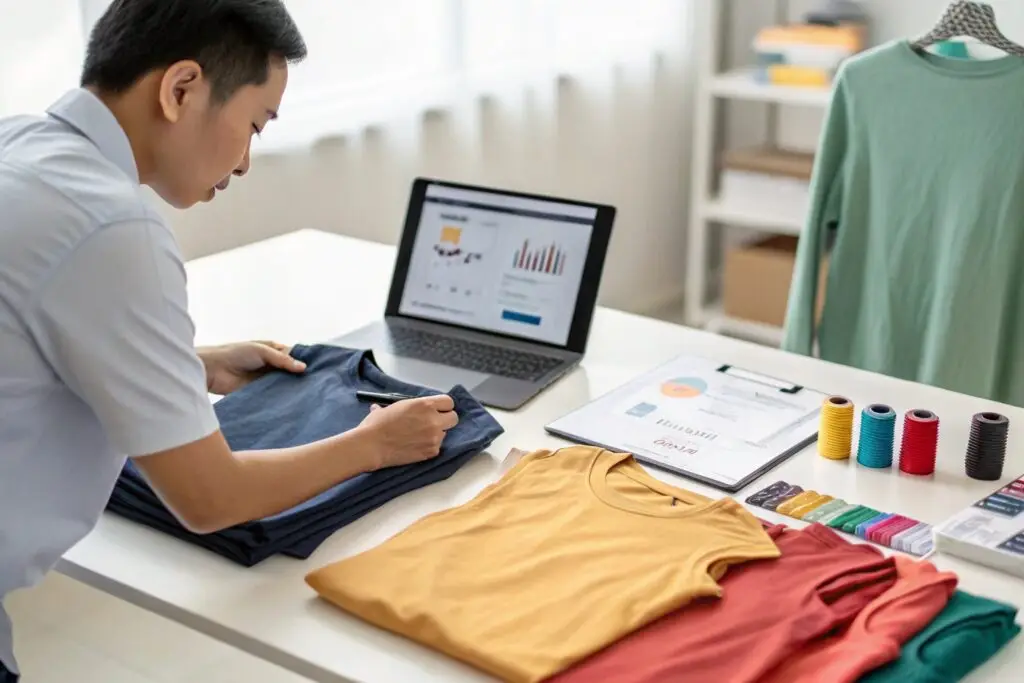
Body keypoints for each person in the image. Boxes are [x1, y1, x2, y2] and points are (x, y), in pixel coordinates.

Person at [0, 1, 458, 679]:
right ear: (180, 88)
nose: (245, 161)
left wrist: (188, 365)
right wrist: (374, 443)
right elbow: (211, 499)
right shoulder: (114, 227)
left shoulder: (18, 145)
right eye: (253, 125)